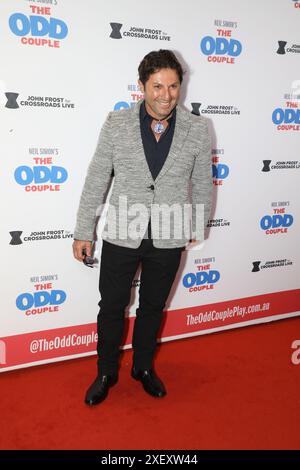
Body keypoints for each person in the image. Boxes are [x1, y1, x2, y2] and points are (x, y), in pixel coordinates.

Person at [73, 49, 212, 406]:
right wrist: (83, 231)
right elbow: (96, 178)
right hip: (122, 230)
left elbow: (202, 181)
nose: (165, 95)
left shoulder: (198, 128)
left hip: (170, 233)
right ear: (141, 86)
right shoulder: (116, 122)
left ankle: (143, 367)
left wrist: (197, 222)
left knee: (152, 306)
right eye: (157, 86)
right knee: (112, 306)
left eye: (173, 86)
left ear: (181, 87)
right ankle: (105, 371)